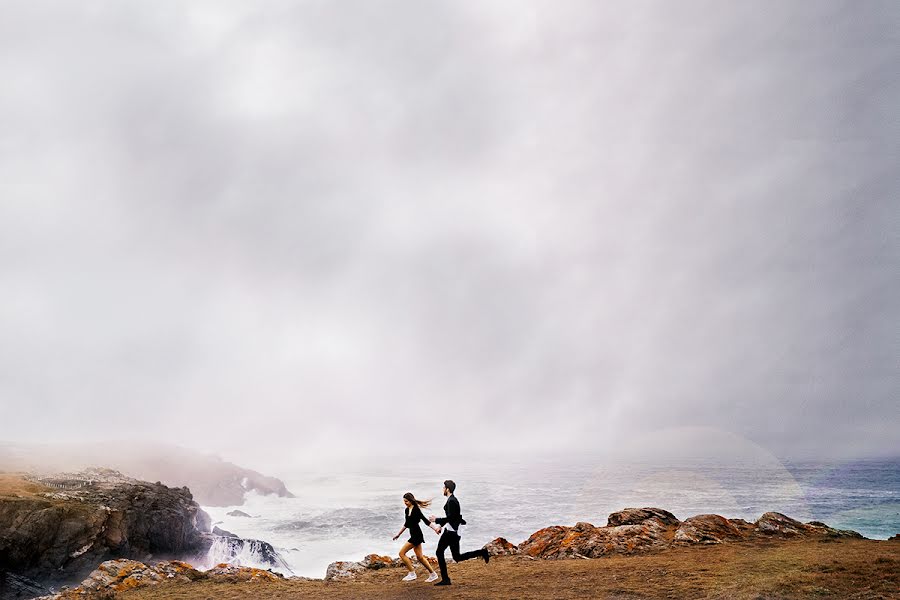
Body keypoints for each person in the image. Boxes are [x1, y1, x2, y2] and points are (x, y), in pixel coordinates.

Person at [429, 479, 489, 586]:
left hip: (451, 533)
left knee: (439, 552)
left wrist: (436, 520)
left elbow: (451, 518)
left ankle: (446, 579)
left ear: (447, 489)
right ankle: (482, 552)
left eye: (443, 487)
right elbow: (450, 518)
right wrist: (440, 526)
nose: (442, 489)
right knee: (457, 557)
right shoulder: (451, 500)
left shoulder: (452, 501)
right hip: (451, 531)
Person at [392, 492, 441, 582]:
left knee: (401, 553)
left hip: (416, 535)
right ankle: (433, 574)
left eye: (406, 501)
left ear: (411, 500)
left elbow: (426, 521)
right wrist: (398, 534)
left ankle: (412, 573)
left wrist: (435, 529)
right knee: (420, 557)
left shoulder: (416, 510)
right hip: (414, 535)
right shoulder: (407, 510)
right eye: (404, 501)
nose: (405, 503)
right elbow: (406, 524)